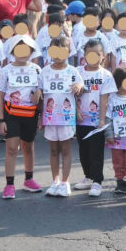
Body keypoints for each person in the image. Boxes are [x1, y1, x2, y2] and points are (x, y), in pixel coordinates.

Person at [0, 34, 43, 199]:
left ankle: (29, 180)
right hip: (11, 114)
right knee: (12, 148)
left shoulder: (36, 69)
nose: (23, 52)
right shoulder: (5, 70)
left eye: (26, 49)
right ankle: (9, 184)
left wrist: (41, 113)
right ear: (12, 51)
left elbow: (43, 90)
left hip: (31, 114)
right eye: (19, 49)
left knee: (29, 147)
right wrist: (0, 120)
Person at [40, 35, 84, 197]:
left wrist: (80, 85)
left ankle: (65, 183)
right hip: (50, 118)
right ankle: (55, 181)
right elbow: (40, 94)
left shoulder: (73, 71)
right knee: (53, 150)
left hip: (66, 117)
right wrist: (39, 117)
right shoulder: (44, 71)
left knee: (65, 149)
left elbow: (81, 87)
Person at [75, 40, 116, 197]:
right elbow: (71, 94)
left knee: (96, 151)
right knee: (83, 150)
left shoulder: (105, 75)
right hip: (80, 119)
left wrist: (102, 120)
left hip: (97, 121)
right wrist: (77, 111)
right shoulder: (77, 71)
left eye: (97, 54)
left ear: (103, 56)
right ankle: (88, 176)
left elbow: (105, 99)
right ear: (84, 55)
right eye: (89, 54)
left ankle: (97, 181)